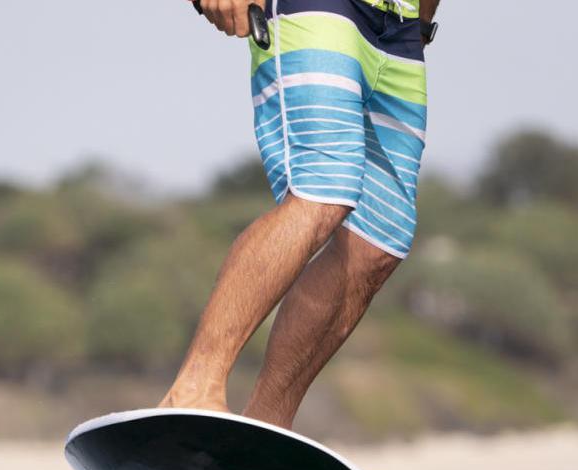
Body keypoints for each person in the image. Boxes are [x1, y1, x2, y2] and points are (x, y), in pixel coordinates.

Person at [160, 0, 440, 429]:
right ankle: (193, 391)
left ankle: (268, 429)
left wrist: (420, 21)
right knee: (322, 189)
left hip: (400, 25)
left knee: (379, 239)